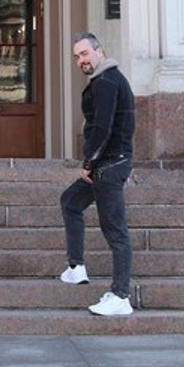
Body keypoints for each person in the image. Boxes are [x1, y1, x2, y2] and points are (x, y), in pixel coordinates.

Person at [59, 31, 136, 316]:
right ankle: (76, 267)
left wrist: (89, 163)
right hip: (108, 162)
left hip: (109, 164)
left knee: (115, 231)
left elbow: (102, 128)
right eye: (77, 57)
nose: (81, 60)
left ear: (99, 51)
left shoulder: (106, 81)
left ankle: (120, 295)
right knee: (70, 201)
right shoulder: (106, 80)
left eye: (85, 54)